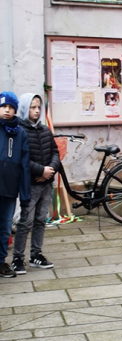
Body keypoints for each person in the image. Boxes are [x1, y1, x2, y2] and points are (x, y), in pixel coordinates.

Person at [12, 94, 59, 274]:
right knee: (26, 221)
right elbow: (22, 158)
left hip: (46, 183)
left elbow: (55, 151)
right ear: (25, 108)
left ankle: (36, 254)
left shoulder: (45, 130)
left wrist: (50, 169)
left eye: (39, 107)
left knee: (41, 219)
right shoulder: (20, 131)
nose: (37, 111)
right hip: (30, 184)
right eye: (32, 107)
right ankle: (17, 258)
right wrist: (40, 171)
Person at [0, 92, 30, 279]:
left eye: (10, 107)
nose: (7, 111)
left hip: (10, 189)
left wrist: (25, 194)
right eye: (3, 107)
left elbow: (25, 165)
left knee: (5, 226)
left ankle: (1, 261)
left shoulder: (20, 133)